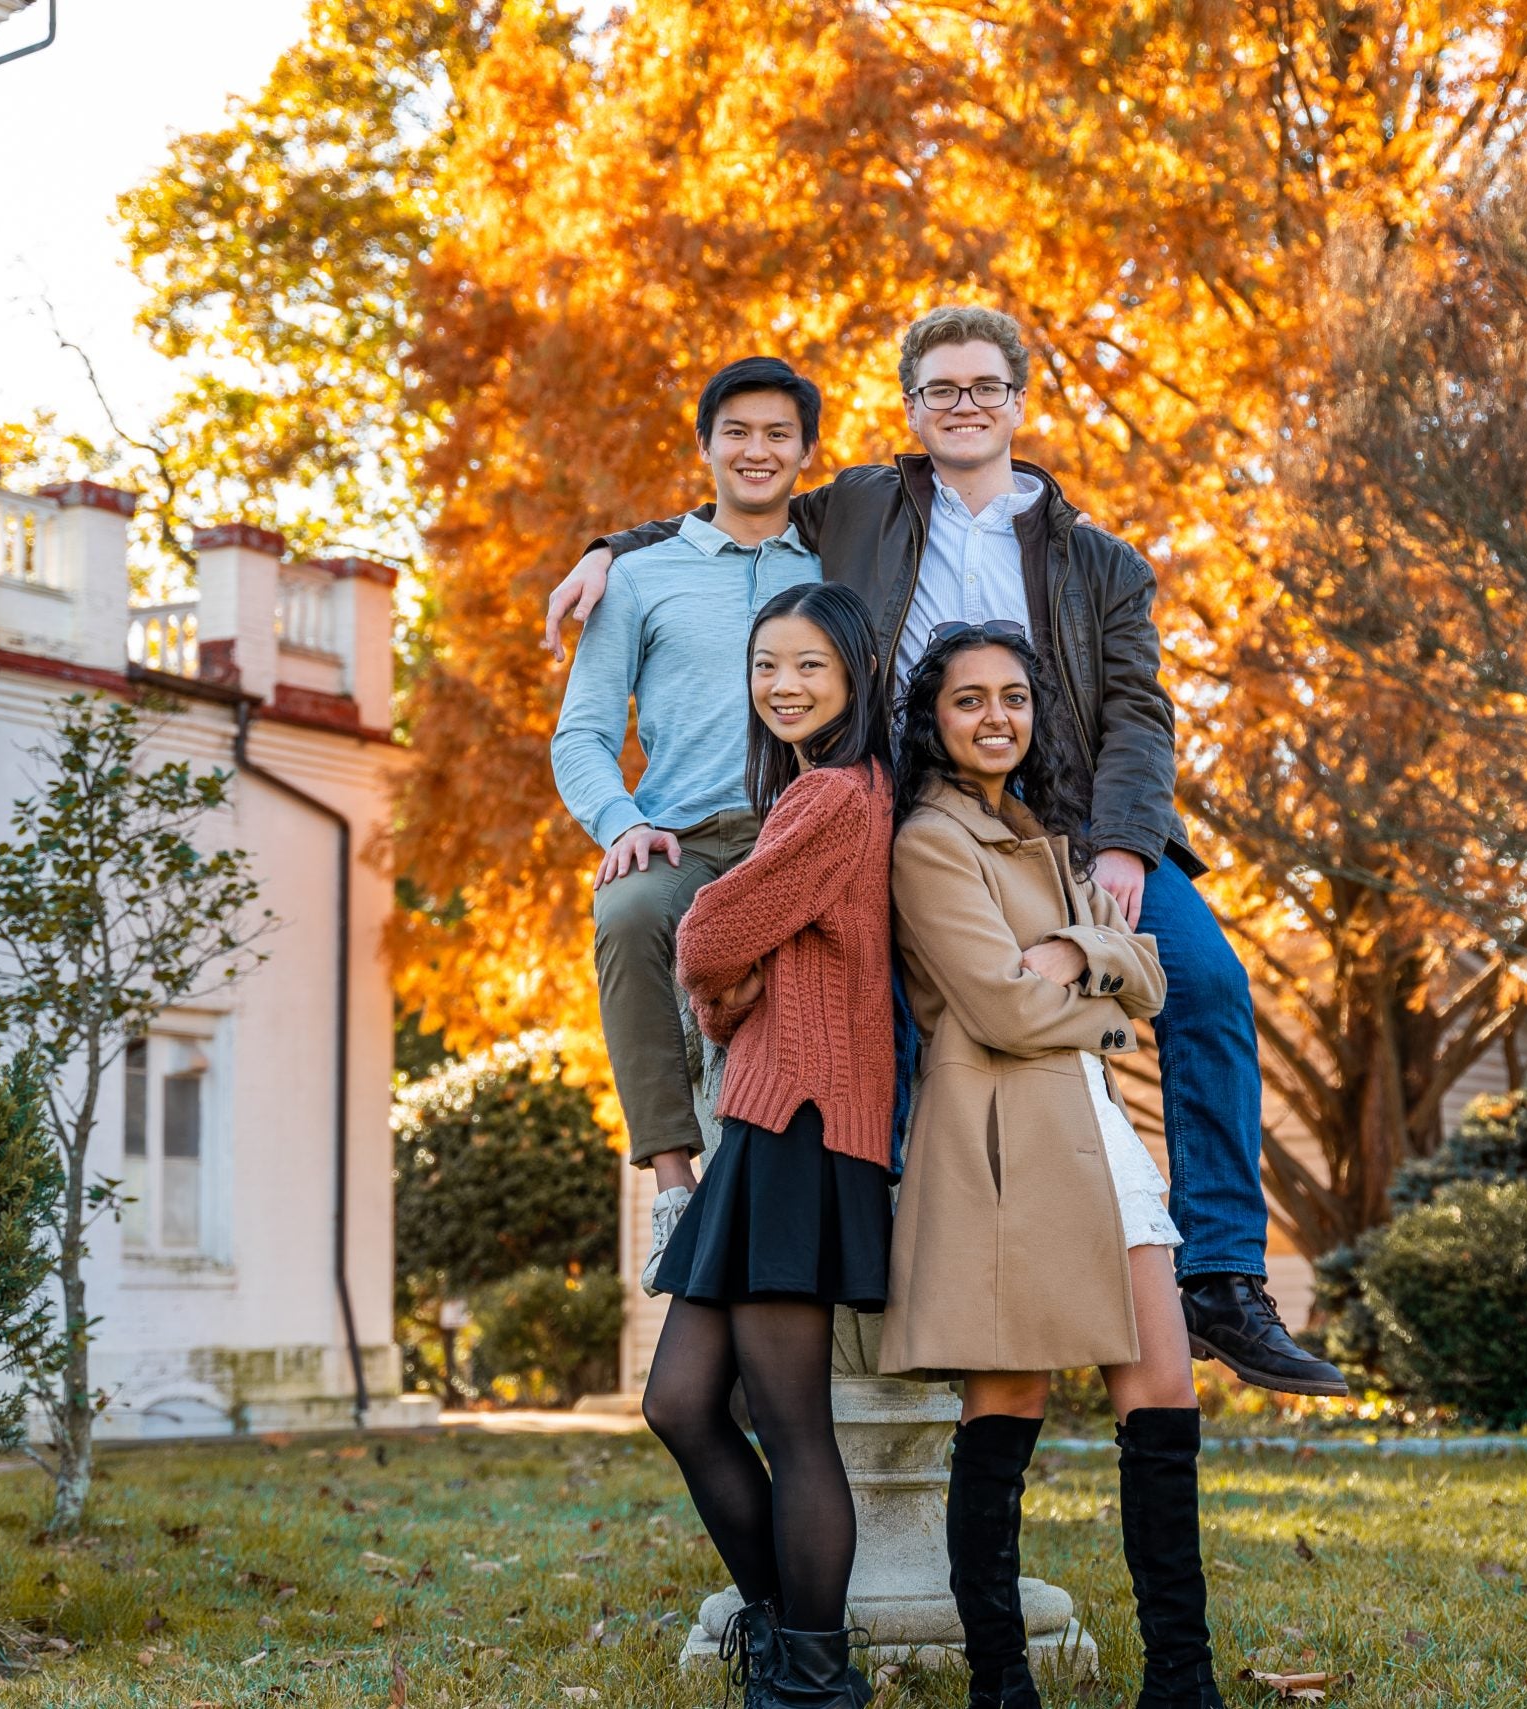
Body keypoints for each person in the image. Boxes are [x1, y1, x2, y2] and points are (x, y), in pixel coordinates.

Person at [544, 306, 1347, 1397]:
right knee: (901, 1028)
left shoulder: (1098, 559)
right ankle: (914, 1266)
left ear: (1019, 401)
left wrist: (1120, 844)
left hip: (1067, 824)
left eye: (984, 387)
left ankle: (1220, 1275)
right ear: (911, 410)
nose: (963, 405)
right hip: (912, 817)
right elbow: (740, 503)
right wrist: (611, 547)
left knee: (1205, 983)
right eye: (940, 390)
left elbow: (1138, 712)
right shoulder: (868, 504)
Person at [883, 622, 1222, 1709]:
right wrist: (1103, 984)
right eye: (970, 699)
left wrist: (1078, 951)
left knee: (1163, 1391)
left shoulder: (1050, 834)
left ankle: (1182, 1676)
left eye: (1014, 697)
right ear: (933, 719)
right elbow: (996, 1005)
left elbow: (1153, 976)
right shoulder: (929, 842)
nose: (996, 717)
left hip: (1095, 1127)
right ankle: (999, 1679)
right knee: (1009, 1398)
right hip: (1002, 1144)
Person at [644, 581, 898, 1709]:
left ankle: (814, 1675)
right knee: (682, 1402)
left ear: (851, 679)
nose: (783, 684)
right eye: (766, 666)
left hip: (798, 1125)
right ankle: (785, 1634)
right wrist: (726, 990)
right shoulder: (808, 798)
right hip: (767, 1116)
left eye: (808, 666)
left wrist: (719, 986)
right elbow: (735, 963)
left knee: (790, 1421)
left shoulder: (833, 798)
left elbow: (706, 929)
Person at [548, 357, 823, 1289]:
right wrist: (620, 819)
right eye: (736, 432)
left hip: (806, 833)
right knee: (627, 911)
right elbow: (581, 732)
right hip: (683, 836)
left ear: (806, 451)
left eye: (778, 434)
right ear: (705, 445)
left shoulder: (836, 567)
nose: (757, 450)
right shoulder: (638, 577)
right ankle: (674, 1182)